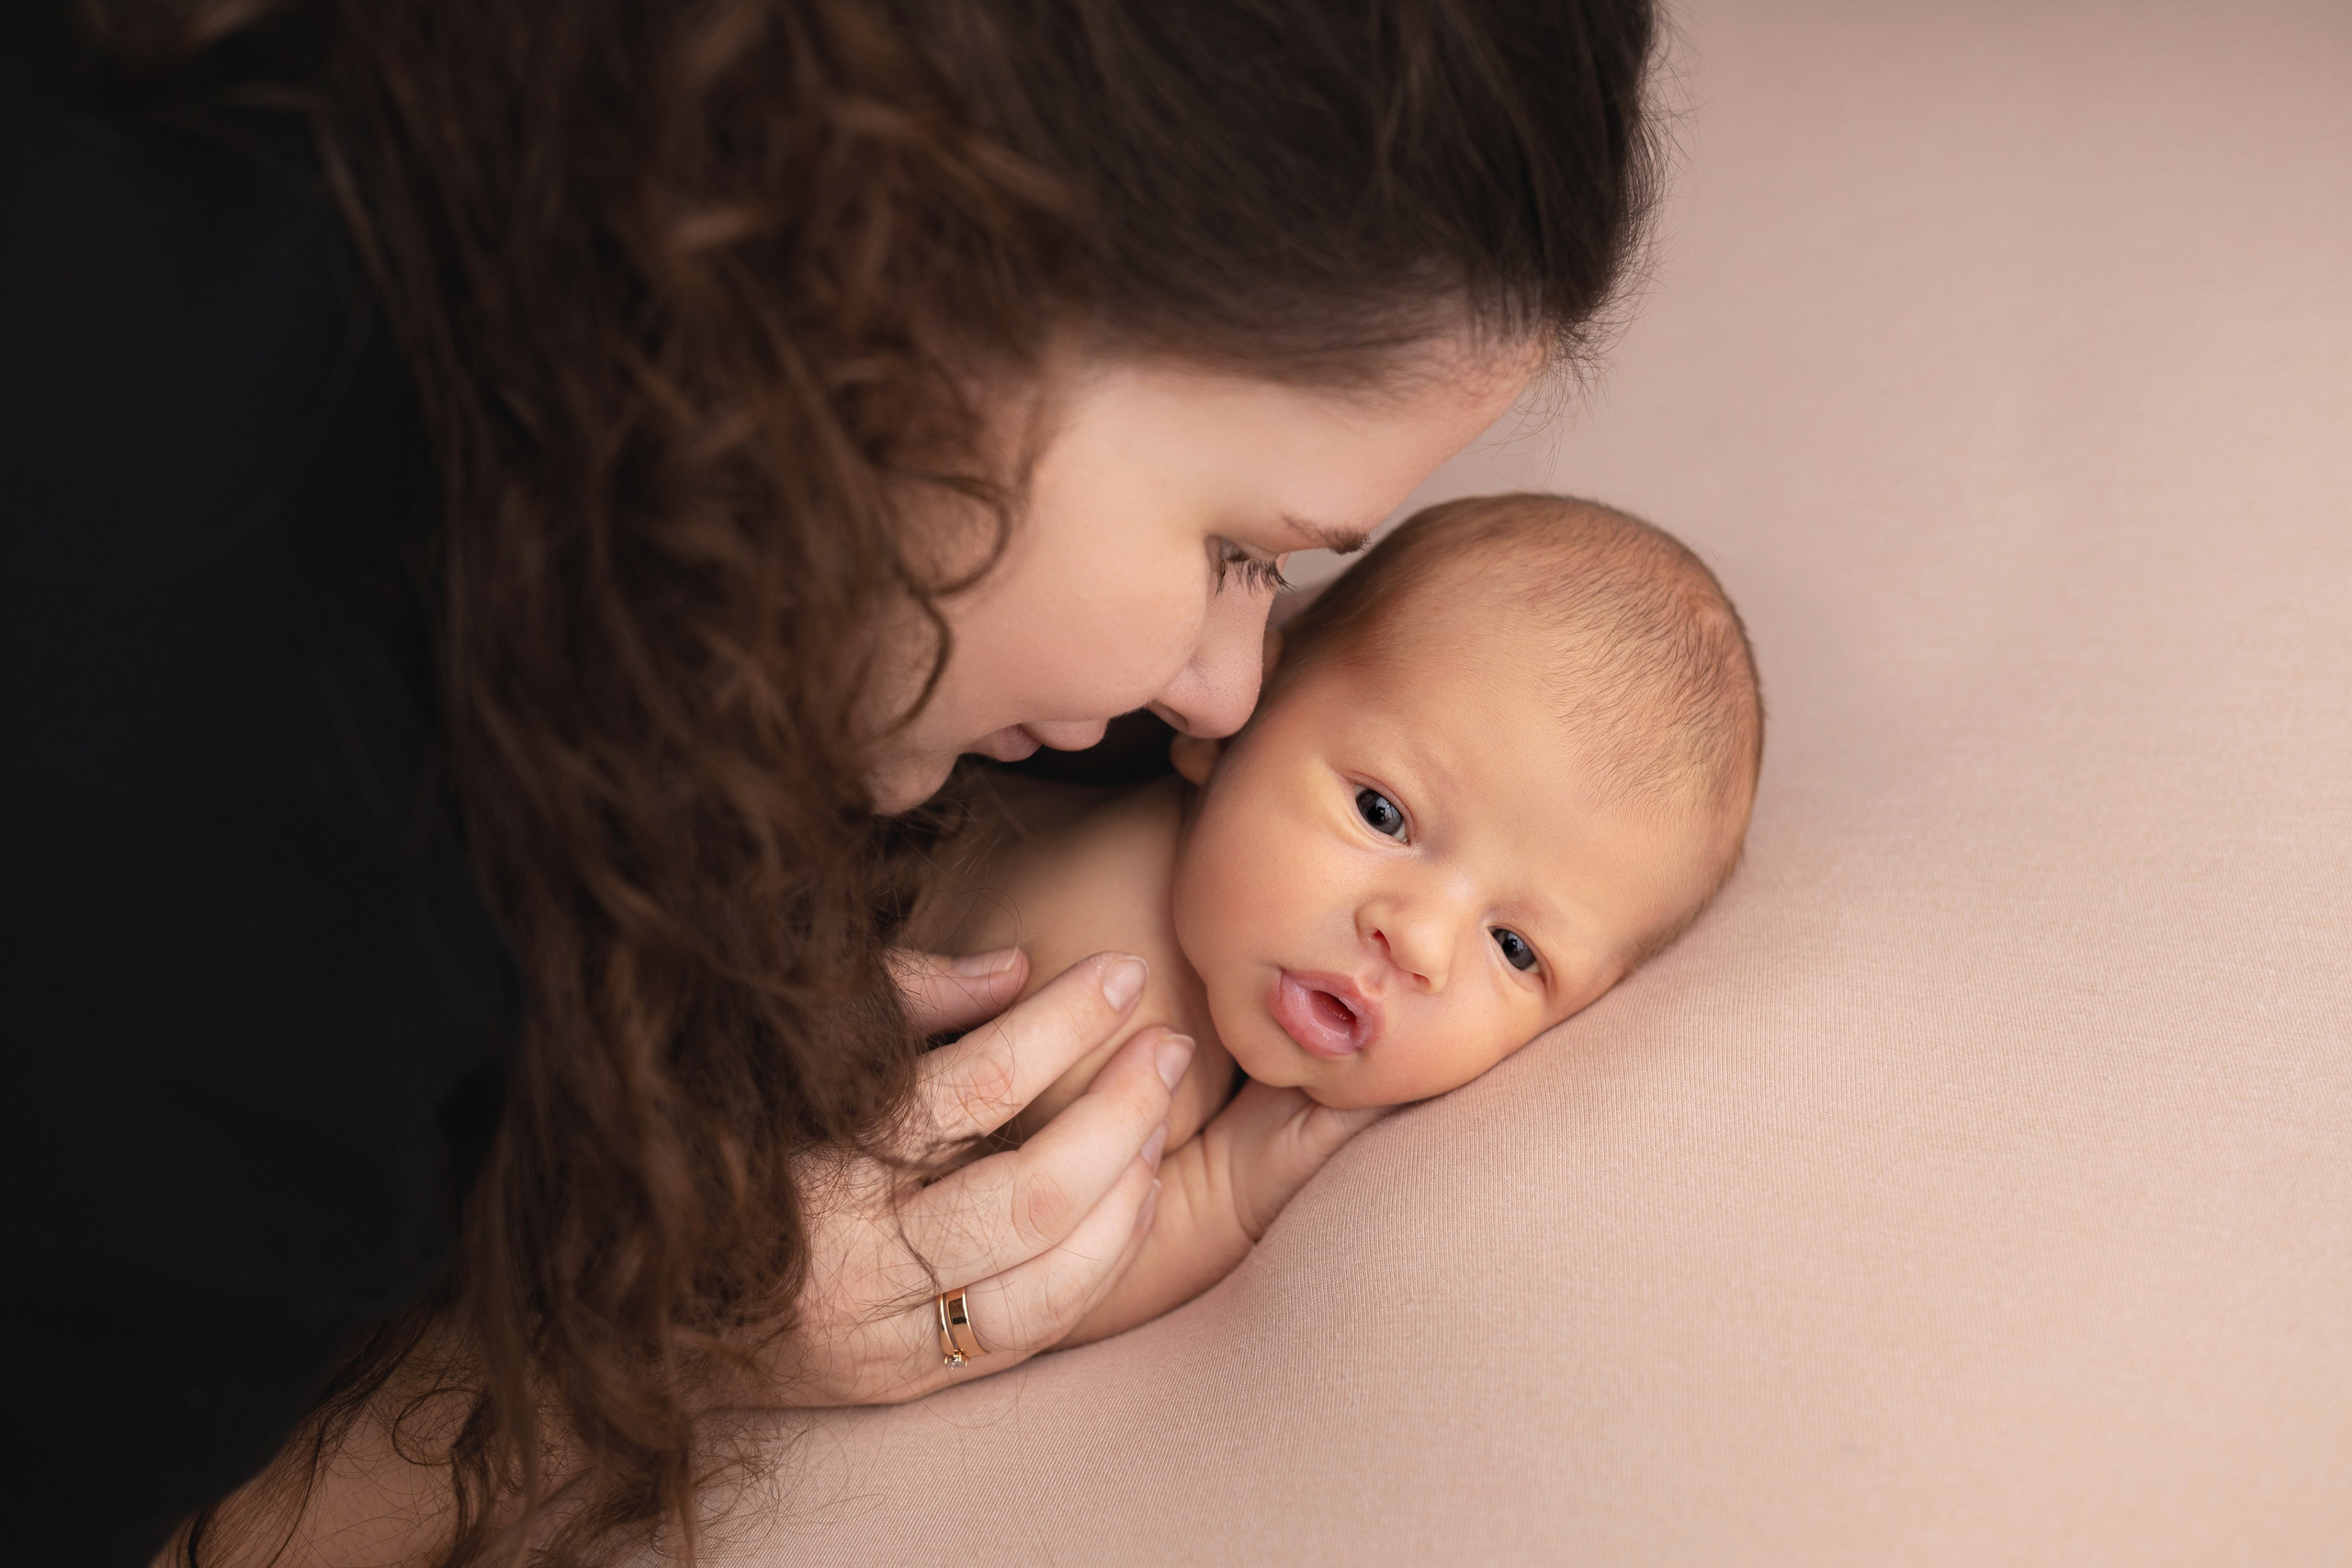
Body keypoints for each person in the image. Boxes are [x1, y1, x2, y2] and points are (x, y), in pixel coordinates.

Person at [0, 0, 1661, 1562]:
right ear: (902, 289)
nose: (1228, 687)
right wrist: (651, 1358)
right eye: (1237, 547)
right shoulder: (262, 837)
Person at [911, 494, 1763, 1344]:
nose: (1420, 942)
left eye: (1513, 948)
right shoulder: (1107, 1027)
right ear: (1236, 718)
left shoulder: (1161, 867)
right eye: (1382, 815)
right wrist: (1222, 1192)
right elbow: (991, 1285)